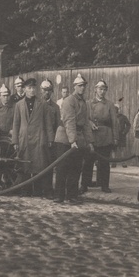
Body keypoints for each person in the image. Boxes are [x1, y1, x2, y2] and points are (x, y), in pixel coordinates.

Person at [53, 73, 94, 204]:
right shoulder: (68, 101)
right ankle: (59, 195)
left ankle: (72, 195)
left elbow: (86, 123)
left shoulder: (84, 102)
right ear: (74, 87)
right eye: (80, 86)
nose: (82, 88)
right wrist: (72, 141)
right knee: (62, 167)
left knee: (76, 167)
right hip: (65, 139)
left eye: (84, 86)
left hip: (77, 138)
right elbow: (69, 122)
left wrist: (90, 142)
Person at [11, 78, 55, 197]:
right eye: (29, 88)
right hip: (24, 139)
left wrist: (50, 139)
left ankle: (38, 190)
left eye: (33, 88)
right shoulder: (19, 105)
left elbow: (48, 123)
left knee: (39, 164)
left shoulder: (42, 104)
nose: (31, 90)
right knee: (25, 164)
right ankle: (25, 190)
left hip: (39, 138)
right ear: (24, 89)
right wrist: (15, 140)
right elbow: (15, 123)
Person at [81, 79, 119, 194]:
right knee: (88, 162)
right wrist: (90, 123)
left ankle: (104, 185)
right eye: (100, 89)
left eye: (104, 89)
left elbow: (114, 122)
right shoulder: (88, 103)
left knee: (104, 163)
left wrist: (115, 137)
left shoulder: (110, 104)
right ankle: (84, 185)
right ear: (95, 90)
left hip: (105, 137)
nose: (102, 92)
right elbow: (84, 118)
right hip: (91, 137)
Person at [39, 78, 61, 199]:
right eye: (44, 90)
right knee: (37, 164)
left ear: (52, 92)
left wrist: (53, 140)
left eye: (49, 90)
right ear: (41, 91)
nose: (46, 92)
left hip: (50, 140)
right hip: (37, 139)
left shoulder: (55, 107)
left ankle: (48, 190)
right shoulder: (36, 104)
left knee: (48, 165)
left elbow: (57, 125)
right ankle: (36, 189)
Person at [113, 101, 131, 168]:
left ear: (118, 109)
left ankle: (123, 162)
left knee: (122, 149)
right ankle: (114, 162)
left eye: (116, 109)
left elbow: (128, 125)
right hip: (114, 135)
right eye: (114, 109)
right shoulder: (111, 117)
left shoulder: (123, 117)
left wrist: (124, 132)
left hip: (121, 135)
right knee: (114, 149)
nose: (115, 110)